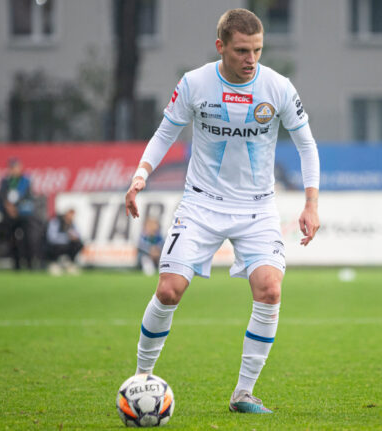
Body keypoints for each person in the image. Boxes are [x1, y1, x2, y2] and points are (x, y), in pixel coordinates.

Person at [124, 8, 320, 414]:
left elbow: (306, 144)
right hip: (200, 204)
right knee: (168, 290)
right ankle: (141, 381)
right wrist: (141, 175)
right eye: (242, 51)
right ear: (221, 47)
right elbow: (165, 132)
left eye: (258, 50)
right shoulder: (195, 83)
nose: (252, 60)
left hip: (257, 208)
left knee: (269, 289)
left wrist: (311, 203)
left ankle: (243, 393)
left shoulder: (278, 87)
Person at [0, 158, 35, 270]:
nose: (14, 170)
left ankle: (29, 264)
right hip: (10, 215)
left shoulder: (25, 181)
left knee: (27, 238)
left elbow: (28, 197)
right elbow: (1, 196)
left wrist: (16, 207)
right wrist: (9, 207)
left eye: (16, 167)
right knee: (12, 240)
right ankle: (16, 264)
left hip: (23, 214)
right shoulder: (6, 181)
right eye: (12, 168)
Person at [44, 209, 83, 275]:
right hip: (55, 246)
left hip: (67, 245)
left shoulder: (72, 224)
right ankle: (54, 263)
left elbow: (78, 235)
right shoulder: (56, 222)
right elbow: (51, 238)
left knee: (79, 244)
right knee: (57, 246)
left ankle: (70, 263)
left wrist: (74, 237)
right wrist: (67, 237)